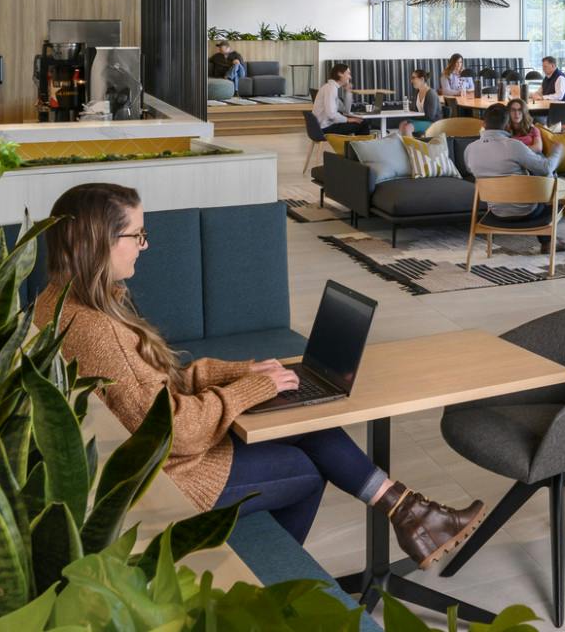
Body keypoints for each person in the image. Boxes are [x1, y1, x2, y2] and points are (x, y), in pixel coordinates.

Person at [33, 183, 484, 562]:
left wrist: (243, 373)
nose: (145, 246)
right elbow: (174, 432)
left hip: (151, 460)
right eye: (137, 235)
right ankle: (268, 580)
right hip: (172, 478)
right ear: (98, 241)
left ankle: (411, 514)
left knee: (299, 414)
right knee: (307, 472)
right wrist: (246, 391)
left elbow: (155, 386)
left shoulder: (58, 303)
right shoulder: (99, 331)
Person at [464, 102, 564, 252]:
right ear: (506, 125)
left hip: (496, 213)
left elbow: (470, 170)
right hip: (528, 213)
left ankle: (549, 242)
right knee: (552, 188)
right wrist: (557, 151)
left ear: (483, 124)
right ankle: (549, 242)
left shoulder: (470, 149)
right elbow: (546, 168)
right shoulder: (514, 146)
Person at [311, 63, 368, 136]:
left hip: (324, 126)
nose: (350, 77)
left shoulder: (331, 87)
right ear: (340, 74)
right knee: (363, 123)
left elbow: (345, 110)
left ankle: (353, 143)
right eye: (348, 73)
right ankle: (361, 143)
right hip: (325, 128)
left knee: (359, 121)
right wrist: (348, 120)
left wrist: (348, 92)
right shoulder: (331, 88)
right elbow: (331, 115)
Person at [438, 53, 469, 117]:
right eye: (457, 62)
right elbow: (446, 91)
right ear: (452, 63)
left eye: (460, 62)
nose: (459, 64)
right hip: (453, 102)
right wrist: (459, 92)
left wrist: (467, 91)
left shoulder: (465, 73)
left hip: (466, 99)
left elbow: (472, 86)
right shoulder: (446, 74)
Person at [408, 69, 436, 136]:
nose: (411, 81)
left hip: (432, 123)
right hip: (422, 120)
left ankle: (412, 143)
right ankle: (412, 142)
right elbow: (412, 109)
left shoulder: (431, 94)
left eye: (413, 78)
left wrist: (414, 117)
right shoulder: (417, 92)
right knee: (402, 124)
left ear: (422, 79)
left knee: (407, 127)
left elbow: (430, 117)